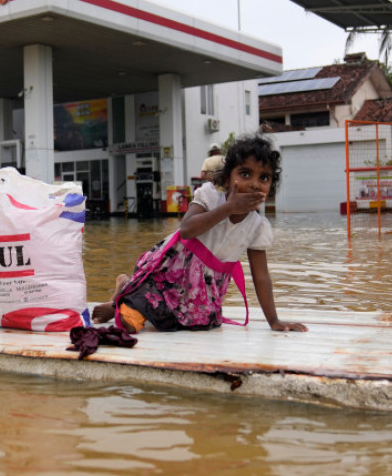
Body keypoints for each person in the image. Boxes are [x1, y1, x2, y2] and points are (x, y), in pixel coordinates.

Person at [93, 134, 306, 334]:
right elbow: (187, 230)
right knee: (132, 323)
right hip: (173, 269)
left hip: (205, 287)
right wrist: (228, 208)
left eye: (264, 178)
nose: (254, 183)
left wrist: (274, 320)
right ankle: (122, 296)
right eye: (245, 173)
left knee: (200, 322)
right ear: (227, 178)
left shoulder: (258, 226)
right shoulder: (211, 196)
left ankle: (125, 292)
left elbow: (261, 277)